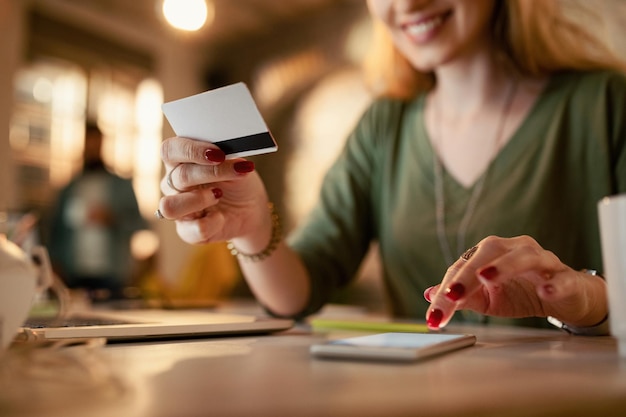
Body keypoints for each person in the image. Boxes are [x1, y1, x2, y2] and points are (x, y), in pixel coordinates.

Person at [156, 0, 626, 334]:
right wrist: (252, 225)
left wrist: (587, 300)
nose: (407, 3)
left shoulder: (607, 104)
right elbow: (299, 292)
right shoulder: (383, 126)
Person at [49, 122, 148, 300]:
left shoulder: (122, 186)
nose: (93, 148)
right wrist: (55, 263)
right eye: (89, 143)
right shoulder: (69, 188)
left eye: (96, 143)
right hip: (74, 272)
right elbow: (57, 229)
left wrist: (113, 219)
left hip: (112, 272)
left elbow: (140, 223)